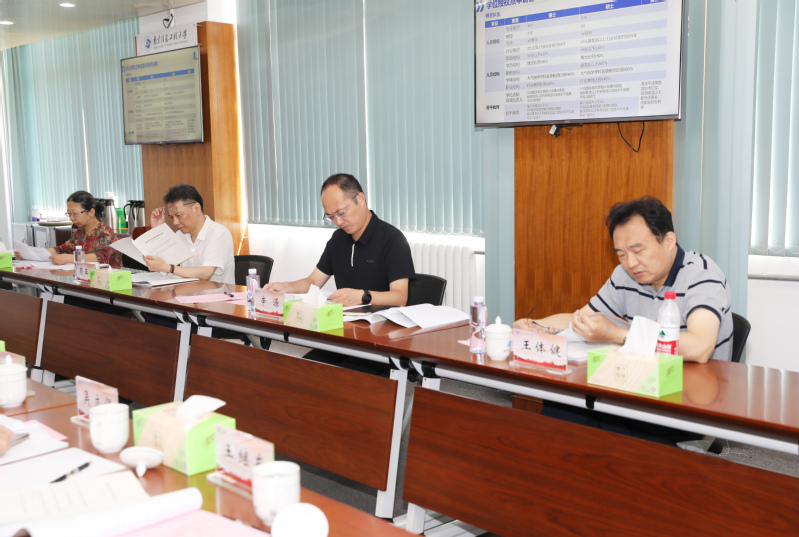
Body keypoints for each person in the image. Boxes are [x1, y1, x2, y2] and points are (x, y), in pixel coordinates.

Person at [514, 196, 733, 363]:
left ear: (668, 241)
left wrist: (617, 334)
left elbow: (699, 347)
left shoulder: (702, 275)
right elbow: (581, 319)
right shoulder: (625, 275)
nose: (631, 263)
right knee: (562, 399)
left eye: (638, 250)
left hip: (694, 392)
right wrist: (536, 326)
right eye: (621, 254)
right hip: (642, 379)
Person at [265, 173, 415, 306]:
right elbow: (313, 281)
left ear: (360, 199)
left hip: (381, 323)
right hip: (346, 321)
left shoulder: (392, 239)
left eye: (341, 213)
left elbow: (400, 297)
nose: (338, 222)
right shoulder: (338, 238)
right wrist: (285, 287)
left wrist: (363, 296)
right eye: (331, 217)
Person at [143, 184, 235, 284]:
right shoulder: (180, 235)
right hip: (187, 292)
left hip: (217, 293)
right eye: (172, 217)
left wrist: (169, 268)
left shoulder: (218, 233)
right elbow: (160, 264)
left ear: (196, 208)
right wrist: (157, 229)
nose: (175, 222)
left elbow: (206, 273)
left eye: (179, 215)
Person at [15, 191, 122, 267]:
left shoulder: (105, 232)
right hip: (86, 278)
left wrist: (69, 258)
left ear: (91, 212)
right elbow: (61, 249)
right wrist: (31, 254)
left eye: (75, 213)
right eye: (69, 214)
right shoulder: (81, 232)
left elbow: (101, 258)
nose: (71, 218)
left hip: (109, 283)